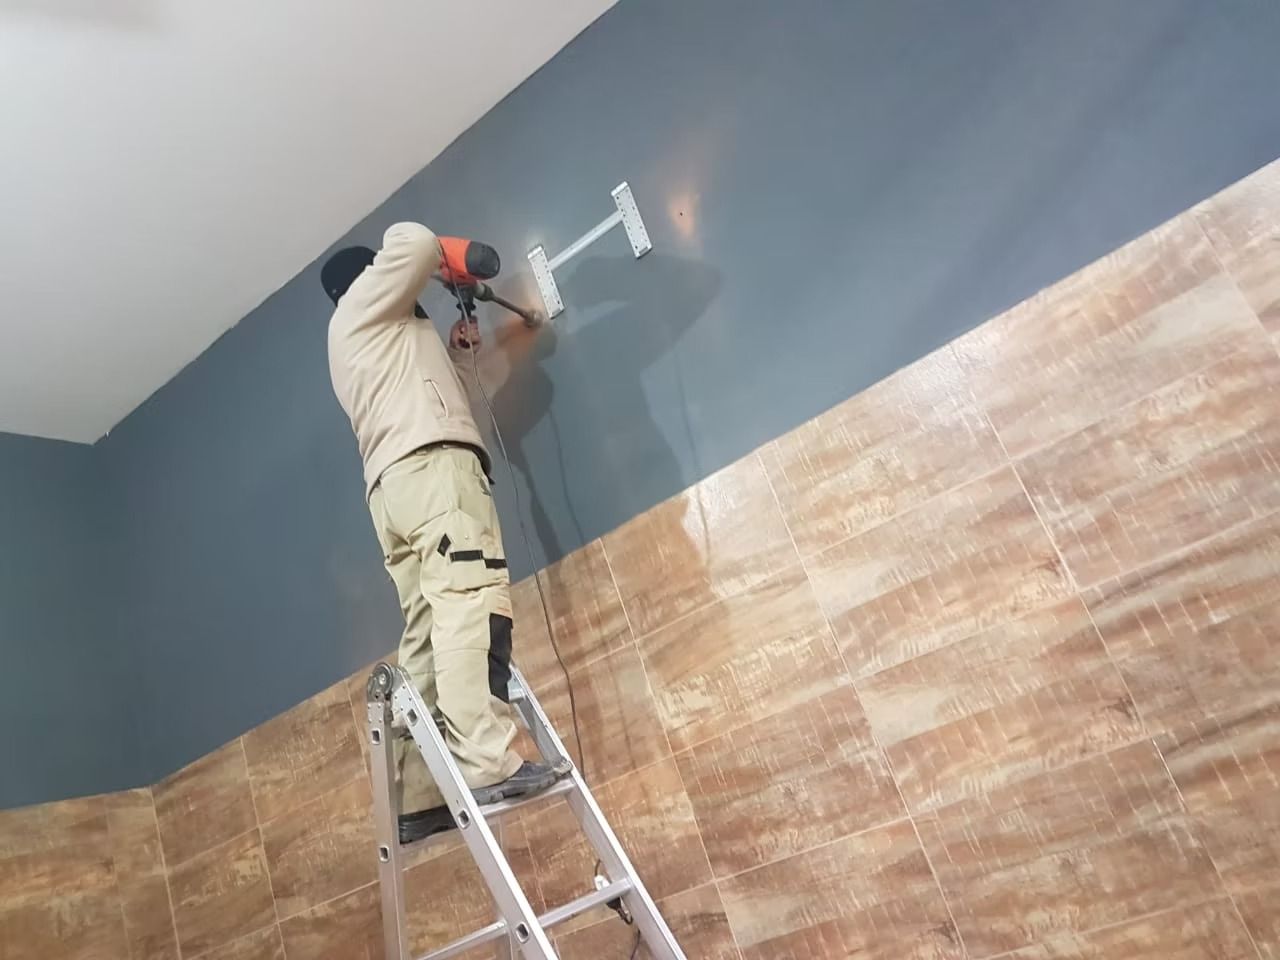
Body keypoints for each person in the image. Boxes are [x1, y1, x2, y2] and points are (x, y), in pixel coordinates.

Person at [323, 222, 557, 844]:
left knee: (427, 629)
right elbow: (416, 240)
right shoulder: (361, 306)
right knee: (469, 602)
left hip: (397, 488)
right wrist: (442, 260)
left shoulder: (364, 339)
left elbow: (422, 393)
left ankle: (422, 794)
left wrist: (455, 354)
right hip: (433, 473)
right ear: (366, 280)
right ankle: (487, 760)